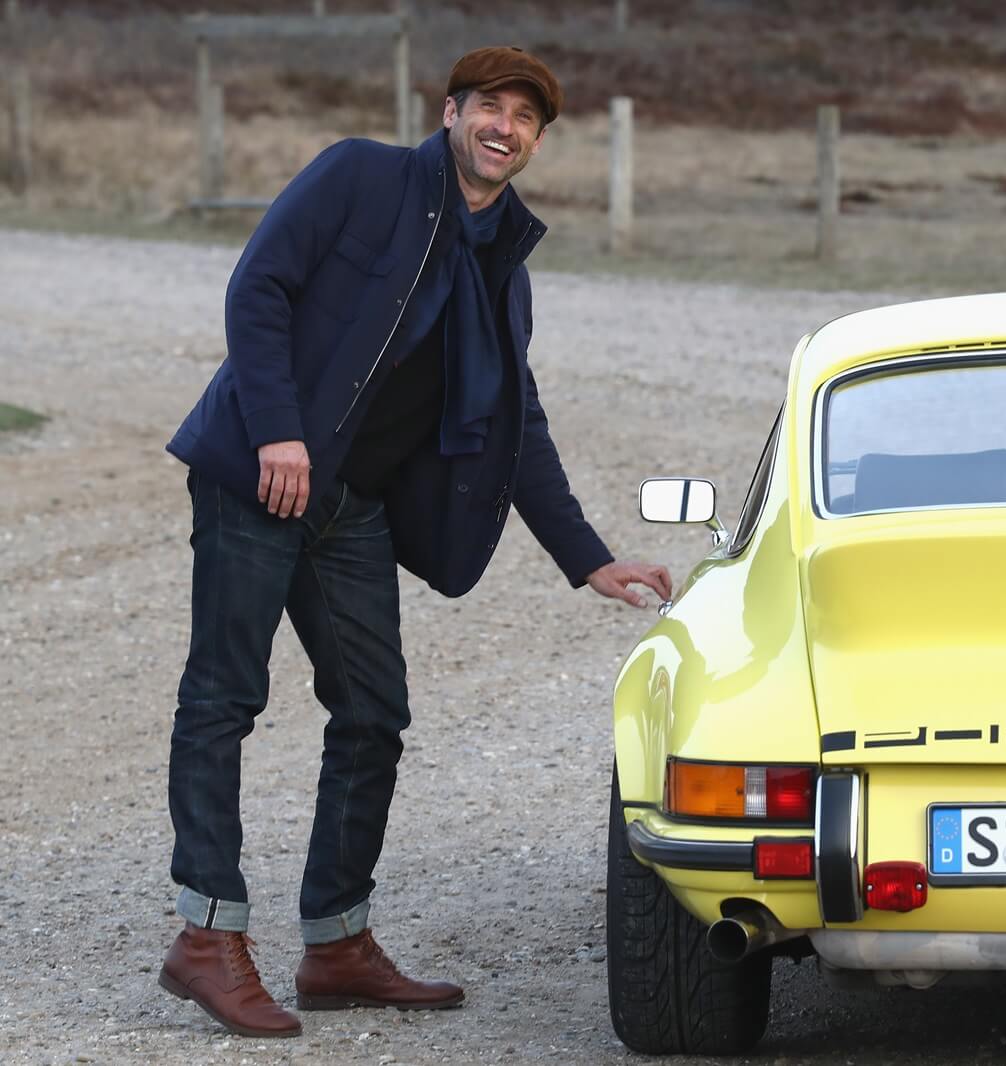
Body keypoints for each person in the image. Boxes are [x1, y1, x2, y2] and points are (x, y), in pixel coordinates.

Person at [158, 46, 671, 1039]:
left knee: (374, 712)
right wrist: (278, 429)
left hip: (348, 507)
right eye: (489, 106)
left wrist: (589, 555)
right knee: (223, 697)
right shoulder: (359, 177)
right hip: (257, 475)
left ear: (532, 143)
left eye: (524, 118)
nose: (503, 127)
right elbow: (257, 289)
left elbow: (518, 427)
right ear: (449, 113)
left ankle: (337, 943)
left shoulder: (502, 272)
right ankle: (206, 936)